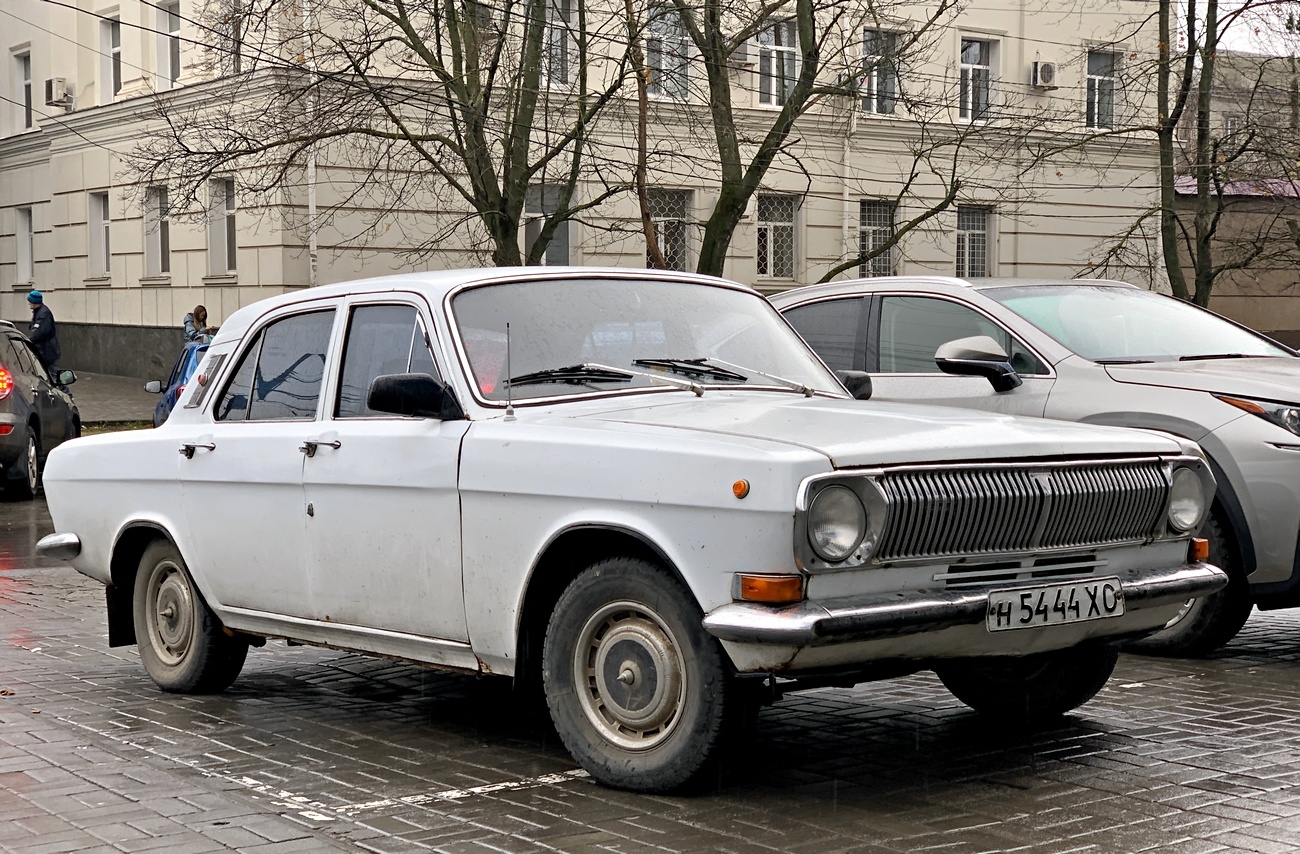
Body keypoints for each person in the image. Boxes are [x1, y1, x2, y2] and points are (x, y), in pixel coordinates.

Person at [27, 290, 62, 379]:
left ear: (34, 302)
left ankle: (65, 392)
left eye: (30, 301)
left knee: (53, 374)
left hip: (47, 350)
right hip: (44, 350)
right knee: (49, 373)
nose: (28, 303)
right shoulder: (39, 312)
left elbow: (39, 332)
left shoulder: (44, 314)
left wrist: (28, 341)